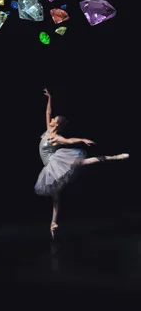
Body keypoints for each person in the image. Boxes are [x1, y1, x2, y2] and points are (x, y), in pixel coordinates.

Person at [34, 88, 129, 238]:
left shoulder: (56, 137)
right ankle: (53, 223)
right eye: (52, 119)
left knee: (83, 162)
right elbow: (47, 112)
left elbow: (69, 141)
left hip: (55, 162)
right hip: (49, 167)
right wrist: (49, 98)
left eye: (54, 119)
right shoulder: (48, 130)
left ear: (57, 125)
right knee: (56, 195)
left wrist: (82, 140)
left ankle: (115, 157)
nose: (51, 119)